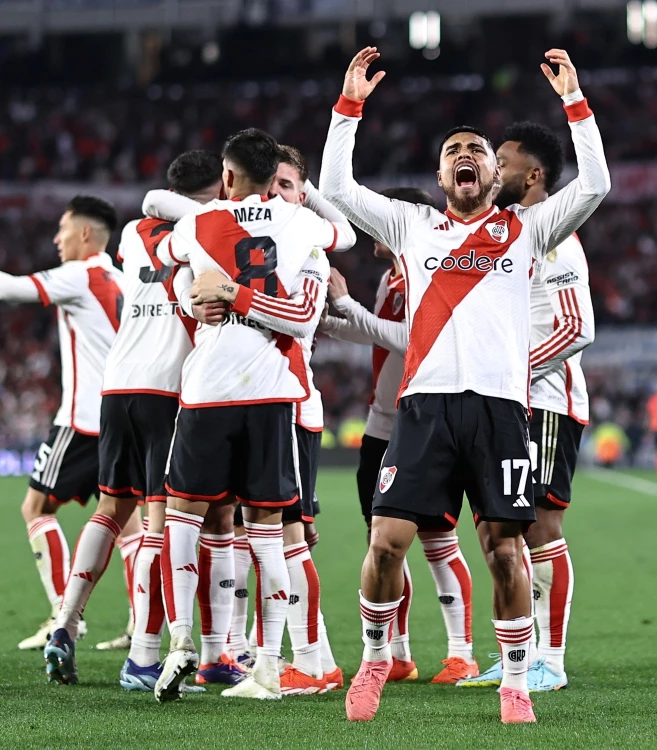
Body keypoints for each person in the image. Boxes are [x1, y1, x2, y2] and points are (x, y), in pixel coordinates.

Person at [320, 46, 609, 724]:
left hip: (500, 411)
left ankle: (515, 680)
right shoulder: (412, 225)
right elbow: (337, 189)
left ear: (492, 171)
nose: (466, 156)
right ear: (442, 171)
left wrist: (575, 102)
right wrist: (348, 106)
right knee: (384, 542)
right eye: (454, 150)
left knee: (505, 550)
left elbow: (594, 186)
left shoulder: (527, 230)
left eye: (477, 149)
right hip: (422, 411)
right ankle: (372, 662)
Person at [153, 128, 339, 703]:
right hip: (270, 394)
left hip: (208, 392)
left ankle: (183, 639)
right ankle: (258, 663)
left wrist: (211, 293)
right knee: (268, 532)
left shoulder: (197, 224)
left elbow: (166, 255)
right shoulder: (305, 224)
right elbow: (310, 303)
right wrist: (197, 293)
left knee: (183, 516)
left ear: (227, 176)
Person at [43, 152, 226, 688]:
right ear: (213, 189)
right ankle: (143, 657)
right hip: (166, 390)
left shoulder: (130, 233)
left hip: (117, 384)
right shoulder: (205, 232)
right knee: (158, 524)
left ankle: (65, 623)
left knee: (107, 510)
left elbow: (156, 215)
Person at [320, 186, 478, 684]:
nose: (371, 237)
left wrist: (347, 305)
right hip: (381, 422)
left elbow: (414, 339)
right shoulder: (393, 276)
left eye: (378, 226)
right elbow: (377, 333)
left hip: (424, 419)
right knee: (382, 541)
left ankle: (461, 652)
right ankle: (398, 653)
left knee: (438, 538)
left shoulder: (428, 268)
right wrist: (324, 321)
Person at [457, 122, 595, 692]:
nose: (493, 168)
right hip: (510, 401)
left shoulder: (554, 238)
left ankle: (550, 661)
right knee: (504, 529)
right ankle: (522, 651)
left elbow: (574, 326)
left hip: (544, 400)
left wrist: (508, 371)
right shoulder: (508, 235)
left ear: (532, 176)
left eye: (504, 162)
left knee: (540, 526)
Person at [230, 144, 351, 696]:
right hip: (261, 403)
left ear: (302, 194)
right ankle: (309, 658)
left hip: (293, 405)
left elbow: (299, 324)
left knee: (285, 535)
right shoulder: (257, 246)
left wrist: (232, 297)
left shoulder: (306, 250)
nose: (274, 196)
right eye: (269, 185)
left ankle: (307, 664)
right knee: (273, 536)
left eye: (286, 186)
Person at [0, 196, 124, 651]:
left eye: (63, 229)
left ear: (85, 234)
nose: (56, 239)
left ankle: (63, 616)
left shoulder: (80, 274)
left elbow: (11, 288)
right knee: (126, 524)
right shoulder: (123, 277)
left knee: (35, 508)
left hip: (82, 420)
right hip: (121, 418)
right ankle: (138, 627)